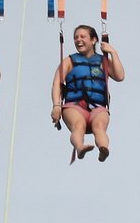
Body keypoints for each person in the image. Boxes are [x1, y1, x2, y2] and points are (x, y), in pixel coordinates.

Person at [51, 24, 125, 161]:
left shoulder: (103, 61)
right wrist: (56, 106)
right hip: (74, 105)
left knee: (100, 126)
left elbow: (120, 76)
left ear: (93, 40)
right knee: (78, 126)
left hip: (98, 106)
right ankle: (80, 148)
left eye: (82, 36)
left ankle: (103, 148)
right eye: (75, 37)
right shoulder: (69, 61)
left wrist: (113, 53)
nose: (78, 40)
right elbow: (56, 83)